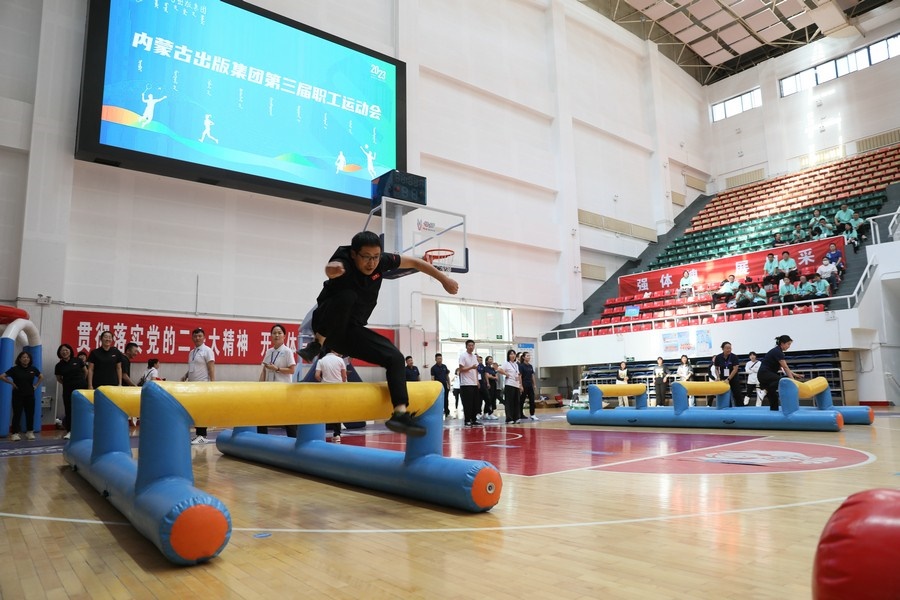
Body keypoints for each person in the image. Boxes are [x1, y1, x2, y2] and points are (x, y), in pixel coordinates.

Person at [297, 231, 458, 437]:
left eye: (375, 257)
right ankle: (316, 344)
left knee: (395, 357)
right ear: (354, 254)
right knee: (348, 296)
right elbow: (331, 268)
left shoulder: (382, 261)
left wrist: (444, 280)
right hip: (326, 321)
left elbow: (416, 263)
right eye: (366, 257)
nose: (372, 263)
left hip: (349, 332)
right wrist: (332, 270)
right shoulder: (343, 259)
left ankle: (400, 413)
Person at [258, 324, 297, 435]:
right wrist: (259, 386)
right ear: (271, 336)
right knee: (262, 414)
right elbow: (264, 370)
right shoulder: (269, 351)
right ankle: (262, 438)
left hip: (283, 389)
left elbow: (292, 370)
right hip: (269, 388)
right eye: (274, 333)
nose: (276, 335)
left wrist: (278, 369)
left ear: (284, 336)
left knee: (287, 416)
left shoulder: (287, 351)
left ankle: (293, 438)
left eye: (279, 333)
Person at [183, 327, 215, 444]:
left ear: (204, 338)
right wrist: (185, 376)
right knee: (195, 410)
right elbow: (192, 368)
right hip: (192, 385)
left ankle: (202, 435)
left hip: (203, 385)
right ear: (192, 338)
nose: (197, 338)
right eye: (195, 336)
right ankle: (198, 434)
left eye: (200, 336)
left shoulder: (207, 350)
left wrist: (212, 383)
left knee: (202, 410)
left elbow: (211, 367)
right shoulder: (192, 352)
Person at [1, 351, 43, 441]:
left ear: (30, 359)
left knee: (30, 414)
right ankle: (15, 433)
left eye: (27, 357)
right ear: (20, 359)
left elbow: (41, 376)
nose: (26, 359)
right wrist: (11, 383)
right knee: (17, 414)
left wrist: (36, 385)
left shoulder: (33, 369)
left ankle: (30, 432)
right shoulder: (14, 369)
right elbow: (2, 376)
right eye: (23, 357)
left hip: (30, 395)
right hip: (18, 395)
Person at [758, 335, 803, 411]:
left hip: (766, 375)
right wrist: (793, 381)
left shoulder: (778, 351)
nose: (789, 346)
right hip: (765, 374)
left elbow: (783, 368)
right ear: (782, 343)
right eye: (788, 344)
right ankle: (764, 390)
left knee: (773, 395)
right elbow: (785, 367)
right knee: (783, 381)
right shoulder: (777, 352)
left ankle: (774, 410)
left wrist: (795, 374)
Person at [54, 343, 87, 439]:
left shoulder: (78, 361)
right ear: (59, 353)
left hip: (81, 389)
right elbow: (59, 379)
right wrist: (67, 383)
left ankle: (83, 430)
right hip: (68, 390)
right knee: (69, 411)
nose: (64, 352)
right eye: (62, 351)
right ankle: (70, 431)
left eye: (66, 350)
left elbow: (86, 371)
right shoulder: (58, 365)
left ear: (70, 351)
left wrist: (81, 381)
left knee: (82, 409)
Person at [315, 350, 347, 442]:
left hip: (325, 389)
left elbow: (317, 375)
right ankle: (337, 434)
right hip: (338, 389)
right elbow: (344, 376)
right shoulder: (340, 360)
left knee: (323, 410)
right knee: (336, 411)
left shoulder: (321, 361)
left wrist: (323, 381)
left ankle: (319, 432)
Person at [457, 339, 481, 427]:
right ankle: (467, 420)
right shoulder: (463, 356)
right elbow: (461, 369)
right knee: (468, 403)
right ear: (466, 346)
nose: (471, 347)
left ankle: (474, 419)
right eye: (469, 345)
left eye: (472, 345)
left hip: (474, 383)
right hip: (466, 383)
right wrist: (471, 367)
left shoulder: (474, 357)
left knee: (475, 402)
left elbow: (476, 370)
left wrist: (477, 381)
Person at [497, 349, 522, 424]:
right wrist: (506, 374)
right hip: (509, 384)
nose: (513, 355)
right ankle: (509, 418)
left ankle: (516, 417)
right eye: (511, 354)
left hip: (516, 385)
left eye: (514, 354)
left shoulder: (516, 365)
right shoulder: (506, 363)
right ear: (508, 356)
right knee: (509, 402)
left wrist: (520, 385)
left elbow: (518, 374)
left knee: (516, 402)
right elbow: (499, 369)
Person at [712, 342, 740, 408]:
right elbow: (716, 368)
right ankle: (727, 409)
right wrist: (718, 377)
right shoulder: (718, 357)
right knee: (725, 395)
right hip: (723, 379)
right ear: (723, 349)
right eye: (727, 348)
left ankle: (740, 409)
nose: (729, 350)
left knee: (737, 395)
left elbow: (735, 369)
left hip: (733, 378)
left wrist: (728, 379)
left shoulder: (734, 357)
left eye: (730, 348)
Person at [430, 352, 451, 419]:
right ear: (435, 359)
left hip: (445, 385)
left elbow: (447, 376)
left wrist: (449, 384)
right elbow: (432, 378)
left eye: (441, 358)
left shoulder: (444, 366)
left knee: (446, 399)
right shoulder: (433, 368)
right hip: (438, 386)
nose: (440, 360)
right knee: (438, 400)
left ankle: (447, 412)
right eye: (438, 358)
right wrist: (433, 387)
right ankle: (438, 413)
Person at [476, 355, 496, 420]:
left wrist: (487, 382)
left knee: (488, 398)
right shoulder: (475, 366)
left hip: (483, 384)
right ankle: (478, 413)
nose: (480, 361)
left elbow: (485, 375)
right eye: (478, 360)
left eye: (481, 360)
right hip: (476, 384)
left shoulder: (482, 367)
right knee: (478, 400)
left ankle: (488, 413)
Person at [519, 352, 538, 421]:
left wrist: (534, 384)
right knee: (522, 400)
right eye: (527, 356)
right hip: (524, 384)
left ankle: (532, 414)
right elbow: (520, 376)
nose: (529, 357)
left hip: (530, 385)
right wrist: (521, 385)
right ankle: (519, 414)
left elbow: (532, 376)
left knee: (532, 400)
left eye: (529, 356)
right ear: (523, 357)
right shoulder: (521, 366)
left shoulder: (530, 366)